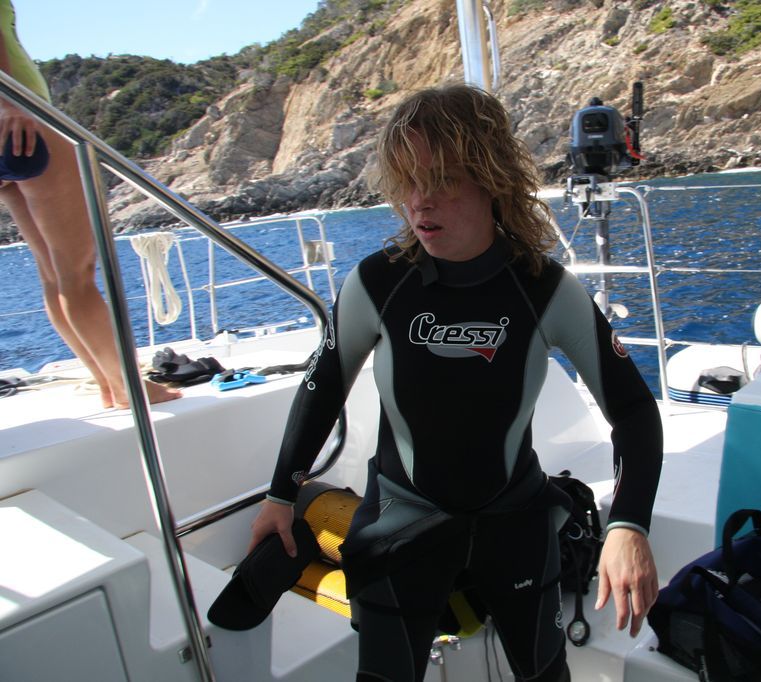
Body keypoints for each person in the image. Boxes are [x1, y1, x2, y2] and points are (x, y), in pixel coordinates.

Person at [248, 84, 663, 682]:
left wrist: (628, 525)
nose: (419, 202)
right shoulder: (378, 284)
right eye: (408, 182)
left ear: (492, 178)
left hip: (516, 521)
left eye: (441, 180)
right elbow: (322, 386)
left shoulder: (544, 289)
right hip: (401, 520)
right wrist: (280, 496)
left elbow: (633, 409)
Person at [0, 0, 180, 409]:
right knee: (76, 272)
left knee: (55, 276)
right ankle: (129, 387)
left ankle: (110, 384)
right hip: (24, 119)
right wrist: (9, 104)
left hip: (10, 130)